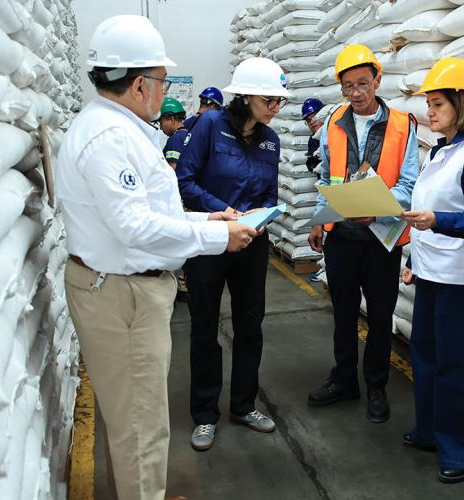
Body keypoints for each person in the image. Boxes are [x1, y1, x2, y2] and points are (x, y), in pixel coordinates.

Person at [56, 15, 257, 500]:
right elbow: (134, 228)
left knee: (137, 421)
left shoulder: (121, 130)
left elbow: (146, 214)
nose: (165, 89)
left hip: (126, 288)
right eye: (163, 79)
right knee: (141, 426)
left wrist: (204, 223)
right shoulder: (109, 138)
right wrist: (217, 240)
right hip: (122, 297)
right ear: (141, 83)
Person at [398, 57, 464, 484]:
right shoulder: (440, 153)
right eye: (428, 104)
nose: (430, 112)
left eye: (438, 103)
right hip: (431, 271)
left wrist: (438, 222)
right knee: (424, 353)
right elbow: (424, 215)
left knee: (456, 364)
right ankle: (431, 431)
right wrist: (411, 261)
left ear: (463, 103)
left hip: (461, 278)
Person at [177, 57, 289, 451]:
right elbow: (185, 181)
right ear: (244, 96)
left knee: (250, 326)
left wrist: (260, 219)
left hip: (251, 245)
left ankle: (243, 404)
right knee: (205, 326)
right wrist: (222, 213)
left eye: (280, 101)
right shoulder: (208, 125)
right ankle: (205, 413)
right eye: (269, 99)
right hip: (210, 242)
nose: (276, 107)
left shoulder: (271, 140)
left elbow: (270, 194)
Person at [306, 44, 418, 424]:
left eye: (362, 84)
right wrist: (319, 220)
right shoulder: (332, 121)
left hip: (379, 239)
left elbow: (409, 183)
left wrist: (381, 207)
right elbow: (326, 177)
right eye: (348, 86)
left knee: (382, 314)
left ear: (377, 80)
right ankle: (343, 380)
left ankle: (376, 386)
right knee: (342, 312)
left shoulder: (403, 125)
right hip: (340, 237)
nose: (355, 93)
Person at [158, 97, 188, 169]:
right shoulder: (189, 135)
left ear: (172, 119)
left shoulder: (175, 139)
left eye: (161, 123)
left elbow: (171, 171)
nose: (161, 128)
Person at [302, 97, 324, 175]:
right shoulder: (312, 140)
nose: (311, 122)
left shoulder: (336, 132)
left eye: (314, 117)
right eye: (308, 120)